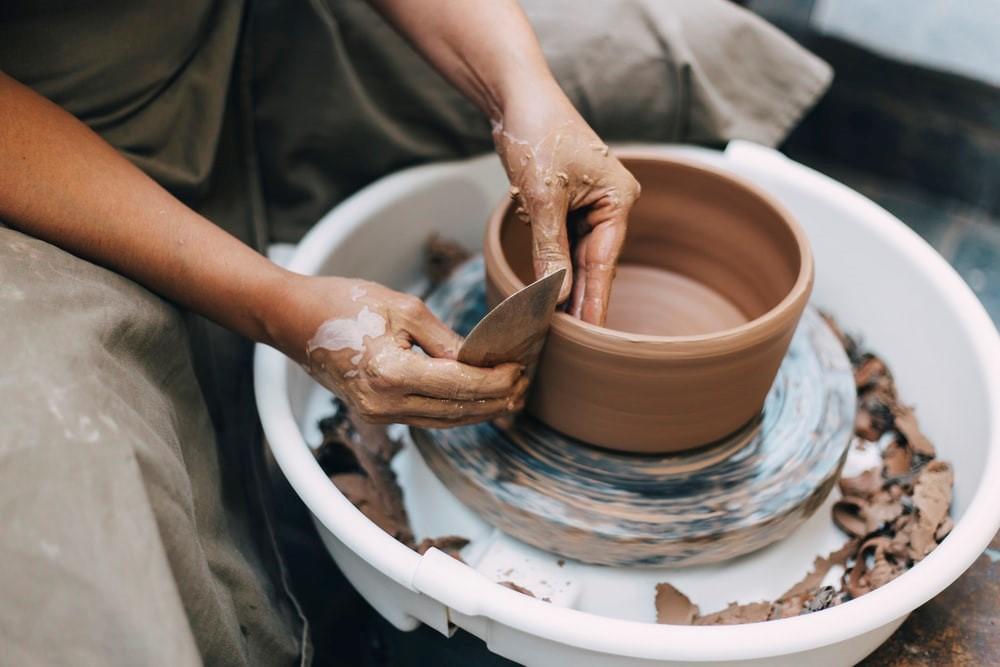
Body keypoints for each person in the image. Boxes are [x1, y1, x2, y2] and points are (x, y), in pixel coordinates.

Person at [0, 0, 831, 663]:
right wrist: (274, 302)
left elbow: (523, 82)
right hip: (41, 147)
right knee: (71, 521)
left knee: (673, 49)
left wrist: (518, 89)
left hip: (242, 28)